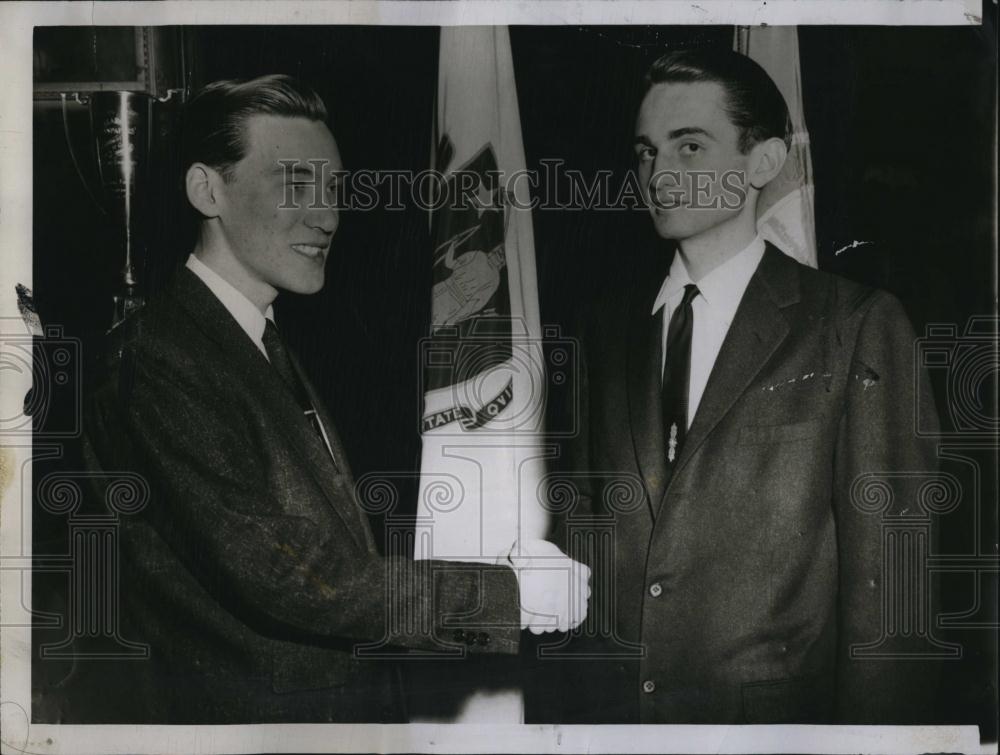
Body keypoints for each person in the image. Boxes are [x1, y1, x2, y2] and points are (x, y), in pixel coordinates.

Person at [79, 74, 588, 724]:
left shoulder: (256, 340)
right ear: (207, 190)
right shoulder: (155, 360)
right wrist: (507, 595)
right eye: (295, 183)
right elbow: (293, 577)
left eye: (333, 187)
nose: (326, 216)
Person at [545, 48, 942, 724]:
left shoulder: (853, 324)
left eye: (689, 146)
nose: (658, 175)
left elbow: (892, 591)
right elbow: (584, 544)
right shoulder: (600, 332)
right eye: (645, 152)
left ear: (763, 162)